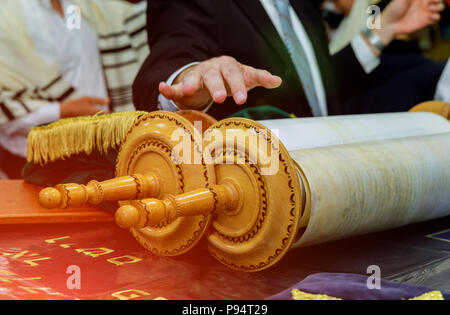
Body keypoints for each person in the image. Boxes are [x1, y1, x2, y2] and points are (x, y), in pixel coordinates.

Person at [133, 0, 445, 120]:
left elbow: (323, 81)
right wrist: (195, 77)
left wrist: (386, 28)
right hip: (266, 202)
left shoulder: (300, 3)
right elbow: (169, 59)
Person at [0, 0, 148, 179]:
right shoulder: (7, 17)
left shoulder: (86, 6)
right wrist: (62, 111)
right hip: (39, 159)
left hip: (107, 148)